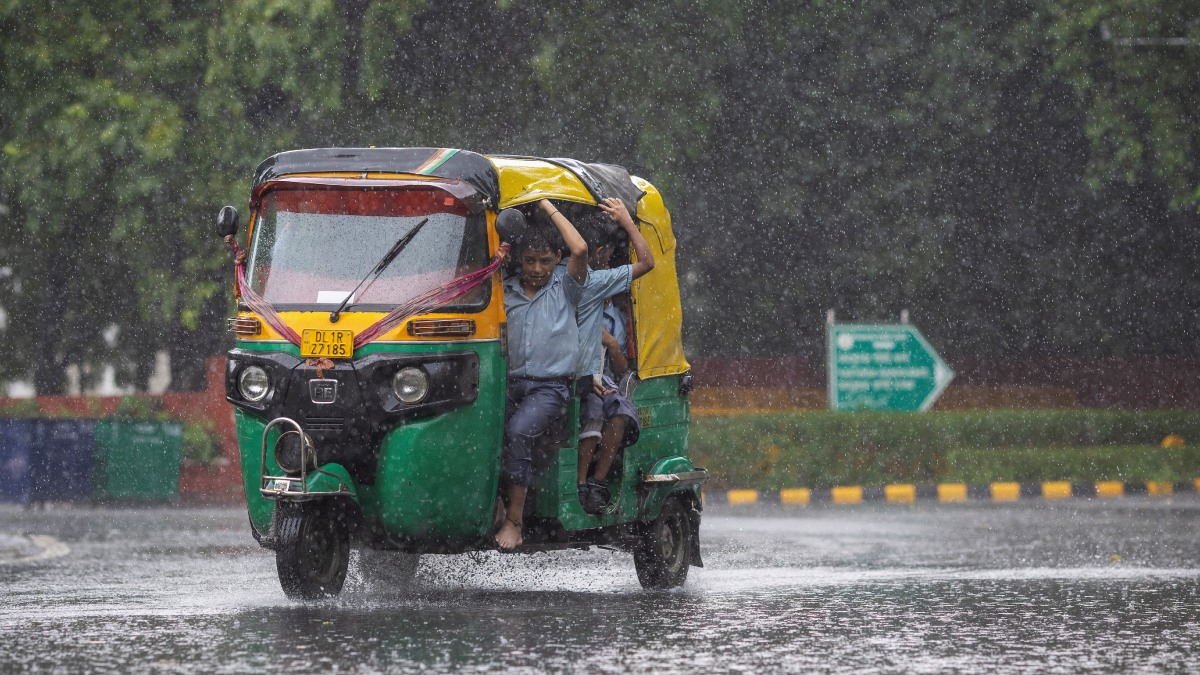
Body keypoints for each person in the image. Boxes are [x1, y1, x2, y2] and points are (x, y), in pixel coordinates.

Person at [496, 198, 589, 550]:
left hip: (550, 388)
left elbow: (579, 247)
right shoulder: (503, 288)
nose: (537, 269)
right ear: (517, 260)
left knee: (519, 432)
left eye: (546, 261)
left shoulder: (566, 286)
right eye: (530, 260)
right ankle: (492, 505)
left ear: (557, 260)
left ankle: (514, 521)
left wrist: (545, 205)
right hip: (506, 384)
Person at [574, 197, 655, 514]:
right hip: (573, 373)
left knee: (615, 406)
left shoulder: (611, 311)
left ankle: (595, 483)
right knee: (593, 400)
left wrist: (611, 344)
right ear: (597, 256)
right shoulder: (584, 282)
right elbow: (647, 263)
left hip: (599, 375)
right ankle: (582, 484)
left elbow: (622, 372)